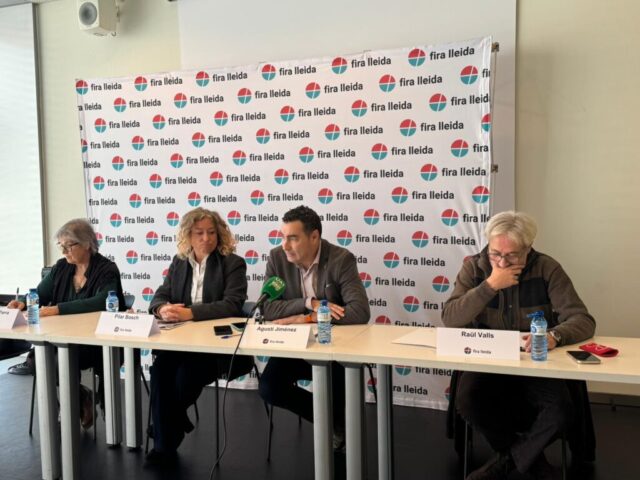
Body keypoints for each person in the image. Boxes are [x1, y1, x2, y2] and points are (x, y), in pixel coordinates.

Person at [442, 211, 596, 480]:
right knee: (467, 401)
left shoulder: (547, 268)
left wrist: (554, 336)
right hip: (488, 358)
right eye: (495, 254)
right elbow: (451, 318)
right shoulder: (474, 268)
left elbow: (582, 319)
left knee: (560, 411)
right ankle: (531, 462)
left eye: (511, 255)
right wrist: (490, 285)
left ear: (528, 248)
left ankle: (505, 462)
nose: (502, 262)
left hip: (534, 360)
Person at [145, 207, 253, 467]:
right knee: (159, 371)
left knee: (186, 375)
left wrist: (189, 313)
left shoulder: (232, 263)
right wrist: (162, 308)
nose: (206, 238)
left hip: (217, 347)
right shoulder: (179, 262)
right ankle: (170, 430)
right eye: (199, 233)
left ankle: (163, 439)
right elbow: (160, 295)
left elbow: (232, 304)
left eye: (211, 232)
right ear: (188, 236)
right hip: (181, 342)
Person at [257, 205, 370, 448]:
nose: (285, 245)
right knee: (269, 387)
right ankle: (334, 423)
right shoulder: (277, 258)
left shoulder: (341, 259)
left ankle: (342, 430)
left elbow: (360, 312)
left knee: (340, 383)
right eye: (283, 237)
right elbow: (267, 308)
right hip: (295, 347)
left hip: (332, 349)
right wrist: (309, 303)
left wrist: (306, 318)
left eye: (293, 238)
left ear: (314, 236)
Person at [7, 218, 126, 429]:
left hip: (95, 342)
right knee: (37, 359)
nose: (64, 252)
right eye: (61, 246)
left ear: (87, 243)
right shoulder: (61, 267)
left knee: (60, 359)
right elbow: (39, 294)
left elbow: (101, 301)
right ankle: (82, 398)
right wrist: (22, 302)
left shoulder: (106, 269)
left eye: (69, 246)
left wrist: (58, 309)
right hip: (63, 338)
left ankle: (79, 405)